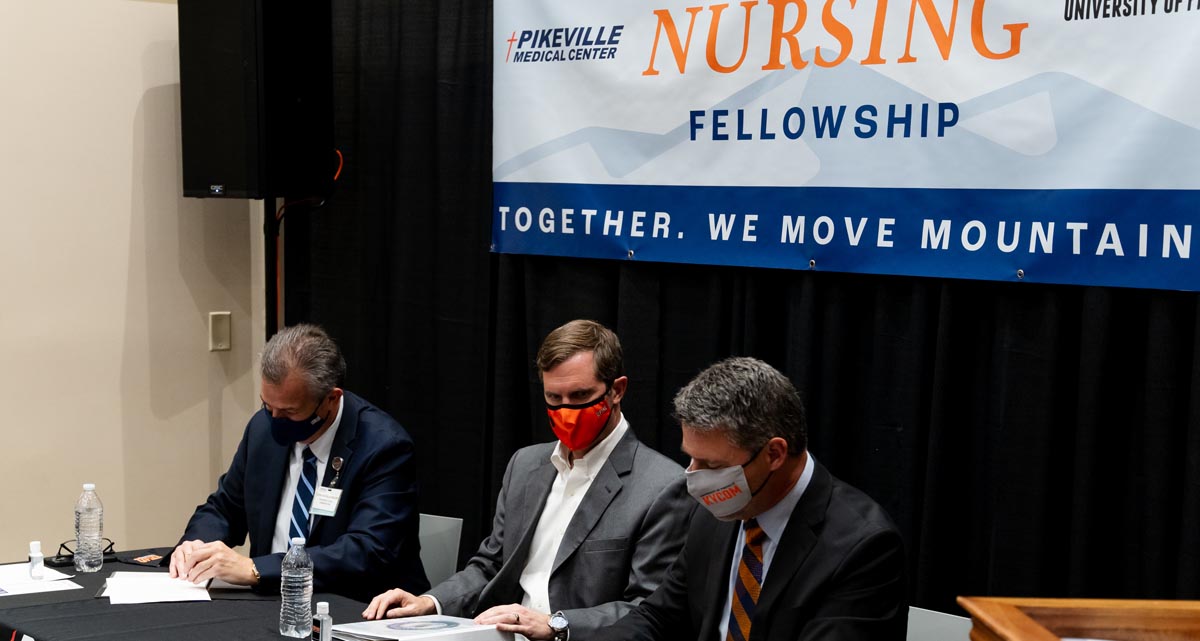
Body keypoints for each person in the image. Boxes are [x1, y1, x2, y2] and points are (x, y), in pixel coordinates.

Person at [363, 319, 693, 641]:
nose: (566, 412)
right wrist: (430, 603)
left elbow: (647, 610)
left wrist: (558, 624)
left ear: (617, 390)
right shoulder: (526, 464)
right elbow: (490, 566)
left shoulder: (662, 486)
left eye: (580, 396)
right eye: (554, 399)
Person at [594, 357, 907, 641]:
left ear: (774, 453)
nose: (695, 480)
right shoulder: (714, 513)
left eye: (712, 466)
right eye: (691, 460)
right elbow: (658, 616)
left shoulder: (863, 546)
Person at [168, 324, 428, 602]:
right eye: (268, 407)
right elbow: (225, 507)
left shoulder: (383, 446)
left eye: (290, 411)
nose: (275, 420)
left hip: (355, 605)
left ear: (331, 398)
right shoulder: (262, 431)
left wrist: (256, 568)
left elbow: (367, 550)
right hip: (271, 602)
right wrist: (196, 545)